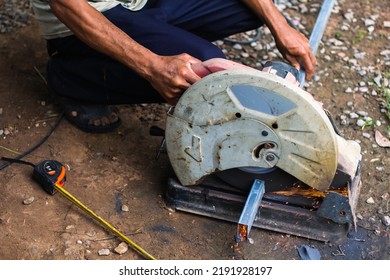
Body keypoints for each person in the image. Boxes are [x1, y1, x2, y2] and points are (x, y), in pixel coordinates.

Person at [31, 0, 316, 133]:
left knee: (250, 8)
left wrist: (281, 26)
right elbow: (67, 5)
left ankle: (159, 33)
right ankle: (70, 75)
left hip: (141, 3)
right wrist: (153, 66)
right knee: (203, 72)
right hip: (84, 17)